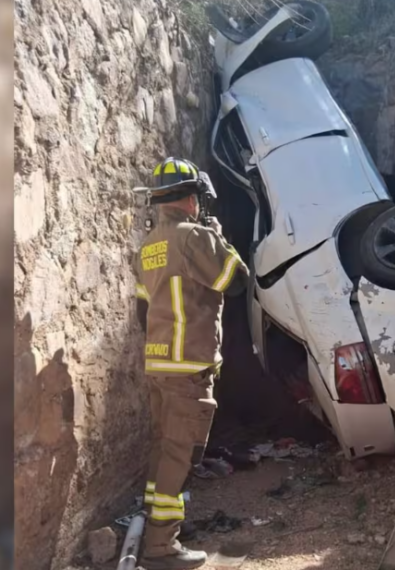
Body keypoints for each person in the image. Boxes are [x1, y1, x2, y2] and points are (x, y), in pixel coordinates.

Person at [132, 157, 249, 570]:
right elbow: (236, 282)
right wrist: (220, 240)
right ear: (191, 199)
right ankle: (162, 548)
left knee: (164, 448)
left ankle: (153, 529)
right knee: (181, 455)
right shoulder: (195, 238)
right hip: (188, 369)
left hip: (159, 364)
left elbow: (141, 314)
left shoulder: (147, 247)